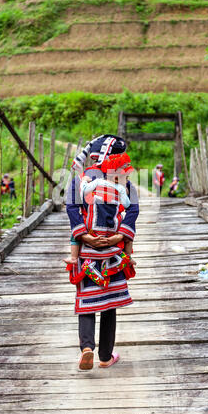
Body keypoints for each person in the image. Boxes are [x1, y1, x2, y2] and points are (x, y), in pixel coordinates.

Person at [66, 134, 139, 371]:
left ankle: (87, 348)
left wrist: (84, 236)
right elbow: (133, 208)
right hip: (113, 251)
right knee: (109, 302)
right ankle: (106, 356)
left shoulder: (81, 179)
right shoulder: (122, 177)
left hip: (88, 250)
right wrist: (120, 236)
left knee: (87, 300)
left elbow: (71, 207)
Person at [64, 152, 136, 266]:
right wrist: (125, 193)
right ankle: (128, 257)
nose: (126, 180)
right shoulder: (122, 188)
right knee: (129, 236)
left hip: (91, 229)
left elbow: (84, 191)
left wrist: (83, 181)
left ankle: (73, 257)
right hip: (114, 230)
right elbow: (128, 205)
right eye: (126, 177)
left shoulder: (96, 181)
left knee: (74, 235)